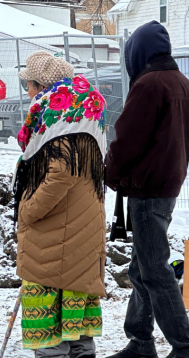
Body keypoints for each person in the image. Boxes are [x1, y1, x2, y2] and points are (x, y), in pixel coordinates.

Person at [14, 51, 107, 358]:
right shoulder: (85, 113)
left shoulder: (59, 122)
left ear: (41, 87)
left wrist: (28, 211)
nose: (27, 92)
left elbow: (60, 174)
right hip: (84, 230)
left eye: (28, 85)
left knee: (50, 330)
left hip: (55, 237)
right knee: (77, 327)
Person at [105, 21, 189, 358]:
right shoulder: (181, 82)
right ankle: (140, 340)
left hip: (146, 188)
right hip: (167, 185)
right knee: (142, 267)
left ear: (137, 53)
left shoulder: (148, 85)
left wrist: (110, 174)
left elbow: (128, 139)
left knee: (153, 269)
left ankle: (183, 344)